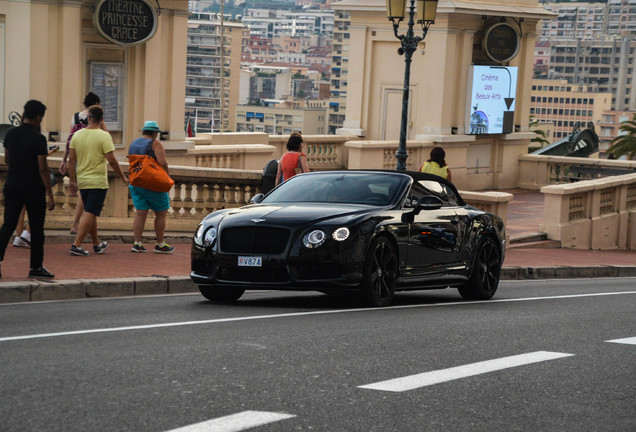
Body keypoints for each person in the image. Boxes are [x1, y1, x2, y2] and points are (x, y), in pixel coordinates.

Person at [0, 100, 55, 278]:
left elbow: (7, 159)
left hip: (12, 184)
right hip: (33, 187)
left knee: (8, 224)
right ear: (39, 117)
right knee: (37, 227)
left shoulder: (11, 133)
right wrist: (51, 195)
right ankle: (36, 267)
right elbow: (43, 168)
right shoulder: (39, 138)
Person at [68, 105, 128, 256]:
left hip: (82, 180)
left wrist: (72, 180)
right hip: (97, 181)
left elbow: (71, 160)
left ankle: (96, 244)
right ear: (102, 120)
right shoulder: (104, 136)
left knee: (91, 212)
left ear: (88, 118)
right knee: (90, 212)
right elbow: (112, 160)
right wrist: (122, 176)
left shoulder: (77, 135)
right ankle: (76, 244)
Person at [60, 92, 107, 234]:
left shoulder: (75, 118)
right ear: (97, 104)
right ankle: (77, 225)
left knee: (85, 192)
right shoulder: (96, 118)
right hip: (92, 159)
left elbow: (70, 141)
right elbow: (106, 136)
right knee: (86, 194)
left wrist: (64, 160)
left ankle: (90, 226)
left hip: (76, 158)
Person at [128, 121, 174, 254]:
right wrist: (167, 179)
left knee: (140, 213)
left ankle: (137, 243)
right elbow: (163, 163)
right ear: (154, 133)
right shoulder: (155, 144)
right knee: (161, 213)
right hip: (152, 183)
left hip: (136, 181)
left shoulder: (133, 144)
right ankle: (160, 243)